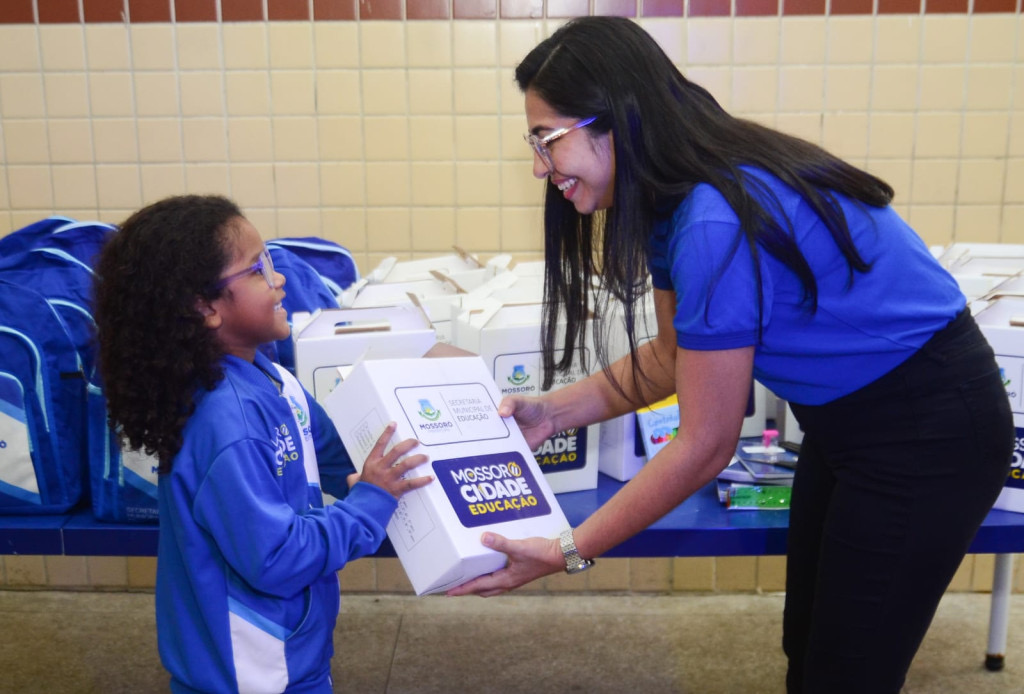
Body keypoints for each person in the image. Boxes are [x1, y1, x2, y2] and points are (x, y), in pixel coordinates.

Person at [447, 16, 1015, 694]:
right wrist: (553, 413)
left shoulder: (714, 217)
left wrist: (568, 550)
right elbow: (668, 356)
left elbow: (705, 444)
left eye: (548, 141)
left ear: (618, 121)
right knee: (809, 645)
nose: (542, 168)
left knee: (848, 671)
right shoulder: (670, 201)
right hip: (848, 426)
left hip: (929, 427)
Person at [94, 194, 432, 694]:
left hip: (286, 656)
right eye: (256, 270)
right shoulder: (224, 423)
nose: (279, 280)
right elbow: (276, 559)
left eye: (269, 261)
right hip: (247, 672)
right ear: (205, 306)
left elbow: (337, 455)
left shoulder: (272, 378)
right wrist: (370, 503)